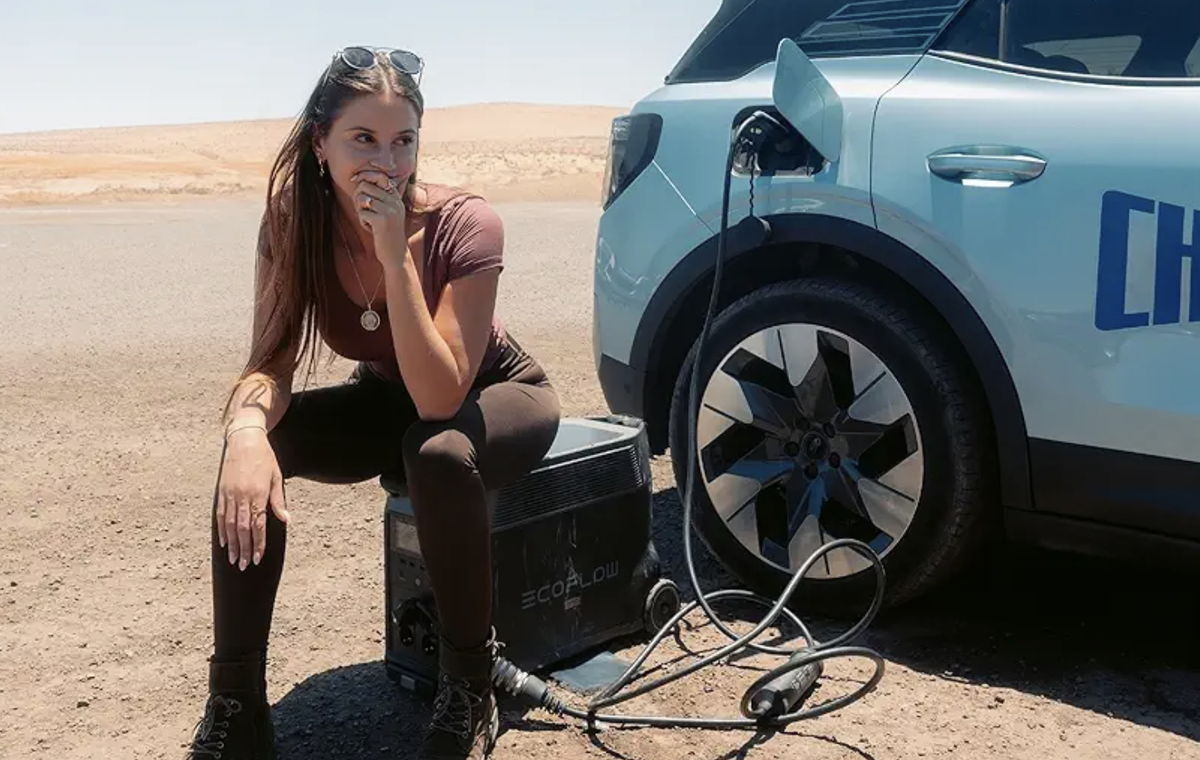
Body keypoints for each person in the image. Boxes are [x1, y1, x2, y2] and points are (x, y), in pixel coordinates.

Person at [186, 46, 561, 760]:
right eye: (363, 139)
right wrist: (244, 432)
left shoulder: (465, 223)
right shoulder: (294, 222)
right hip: (389, 398)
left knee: (437, 452)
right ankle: (236, 703)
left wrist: (396, 259)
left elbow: (441, 393)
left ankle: (469, 687)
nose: (386, 162)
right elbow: (269, 362)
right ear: (320, 142)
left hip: (492, 395)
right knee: (268, 444)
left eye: (403, 141)